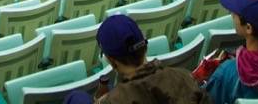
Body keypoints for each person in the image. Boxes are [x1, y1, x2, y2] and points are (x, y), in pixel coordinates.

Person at [76, 14, 209, 103]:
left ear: (111, 60)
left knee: (77, 98)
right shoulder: (183, 77)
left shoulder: (115, 100)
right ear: (145, 47)